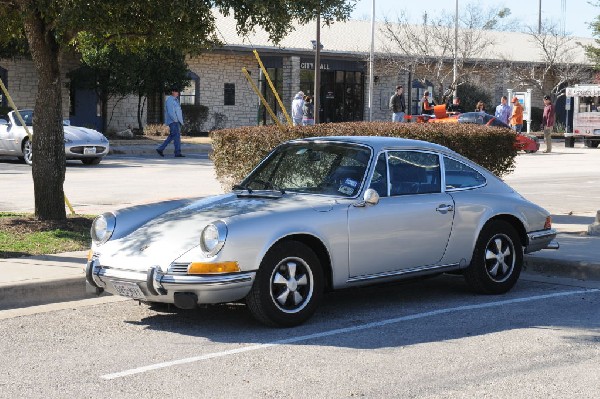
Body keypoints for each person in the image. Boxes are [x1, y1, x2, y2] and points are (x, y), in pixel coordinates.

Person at [156, 87, 185, 158]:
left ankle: (161, 149)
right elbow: (170, 111)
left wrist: (180, 121)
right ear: (173, 92)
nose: (178, 93)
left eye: (178, 92)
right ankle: (177, 152)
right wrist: (175, 120)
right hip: (173, 121)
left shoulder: (176, 100)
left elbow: (178, 112)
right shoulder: (170, 100)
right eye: (177, 92)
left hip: (176, 121)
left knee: (173, 136)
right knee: (176, 137)